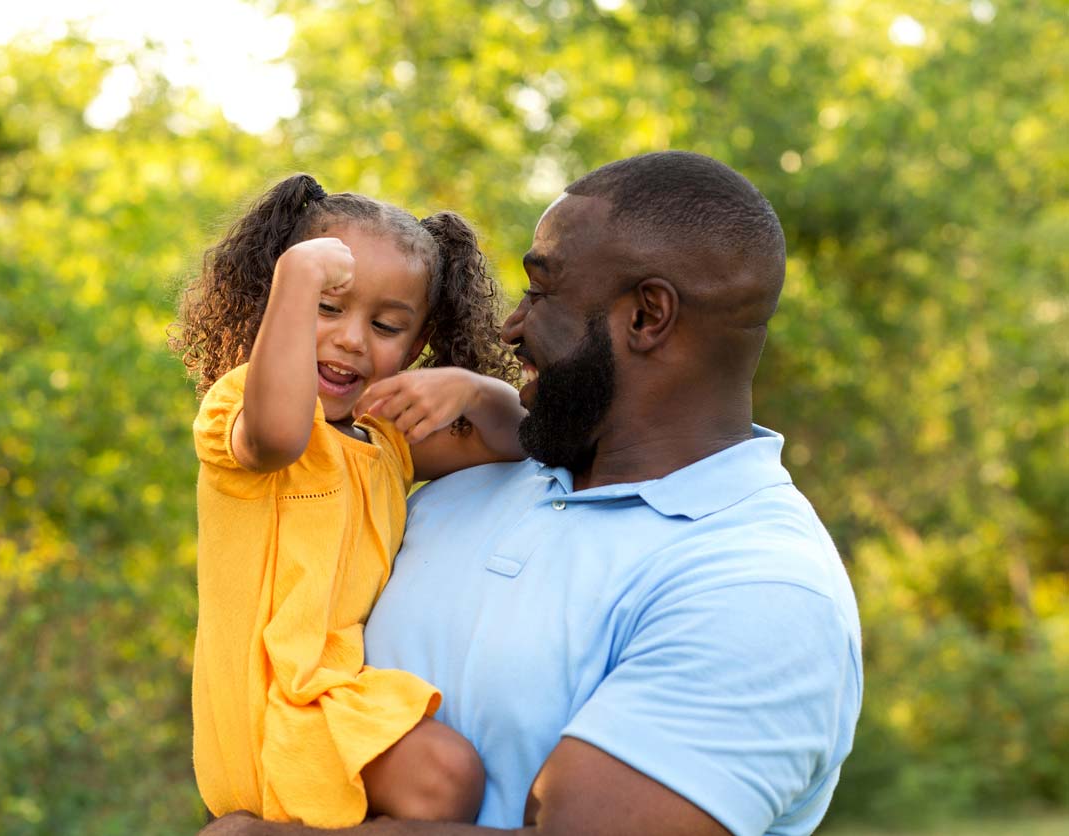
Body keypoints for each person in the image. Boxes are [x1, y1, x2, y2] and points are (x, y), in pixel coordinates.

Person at [199, 151, 863, 836]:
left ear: (646, 317)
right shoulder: (459, 482)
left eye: (541, 293)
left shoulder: (759, 588)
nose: (511, 327)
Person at [171, 174, 527, 828]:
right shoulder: (241, 405)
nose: (351, 339)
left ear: (416, 345)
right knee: (446, 775)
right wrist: (298, 278)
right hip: (271, 713)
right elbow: (277, 434)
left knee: (449, 780)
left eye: (386, 325)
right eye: (325, 309)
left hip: (332, 707)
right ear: (274, 308)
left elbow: (513, 441)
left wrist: (476, 391)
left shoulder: (385, 436)